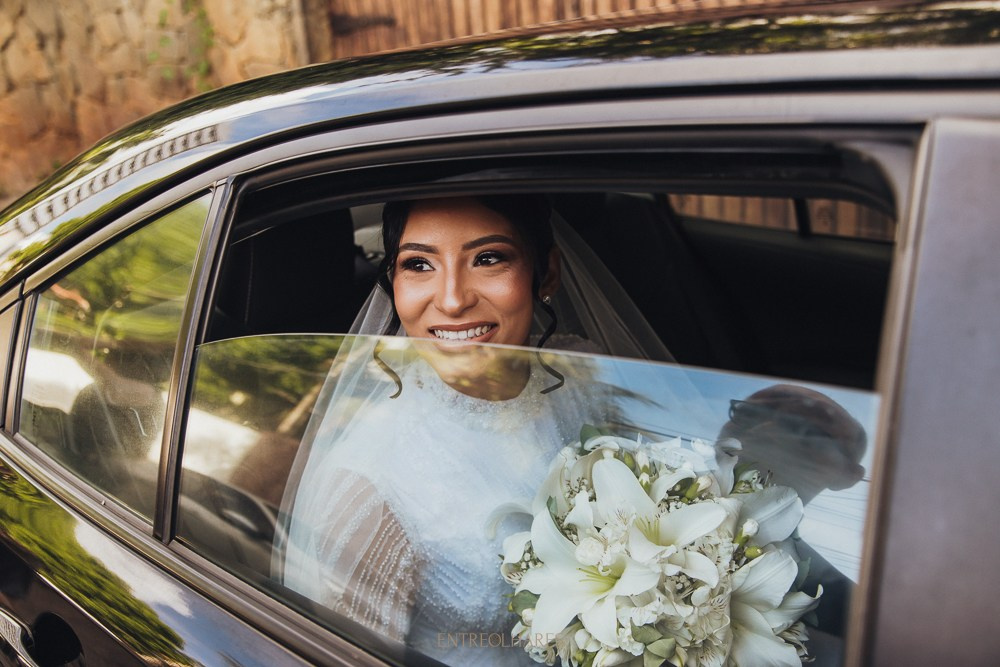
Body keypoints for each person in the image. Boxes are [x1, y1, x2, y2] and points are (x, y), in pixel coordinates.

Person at [278, 195, 657, 665]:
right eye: (419, 264)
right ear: (393, 283)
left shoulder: (585, 374)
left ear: (548, 273)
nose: (453, 300)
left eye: (488, 258)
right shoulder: (370, 483)